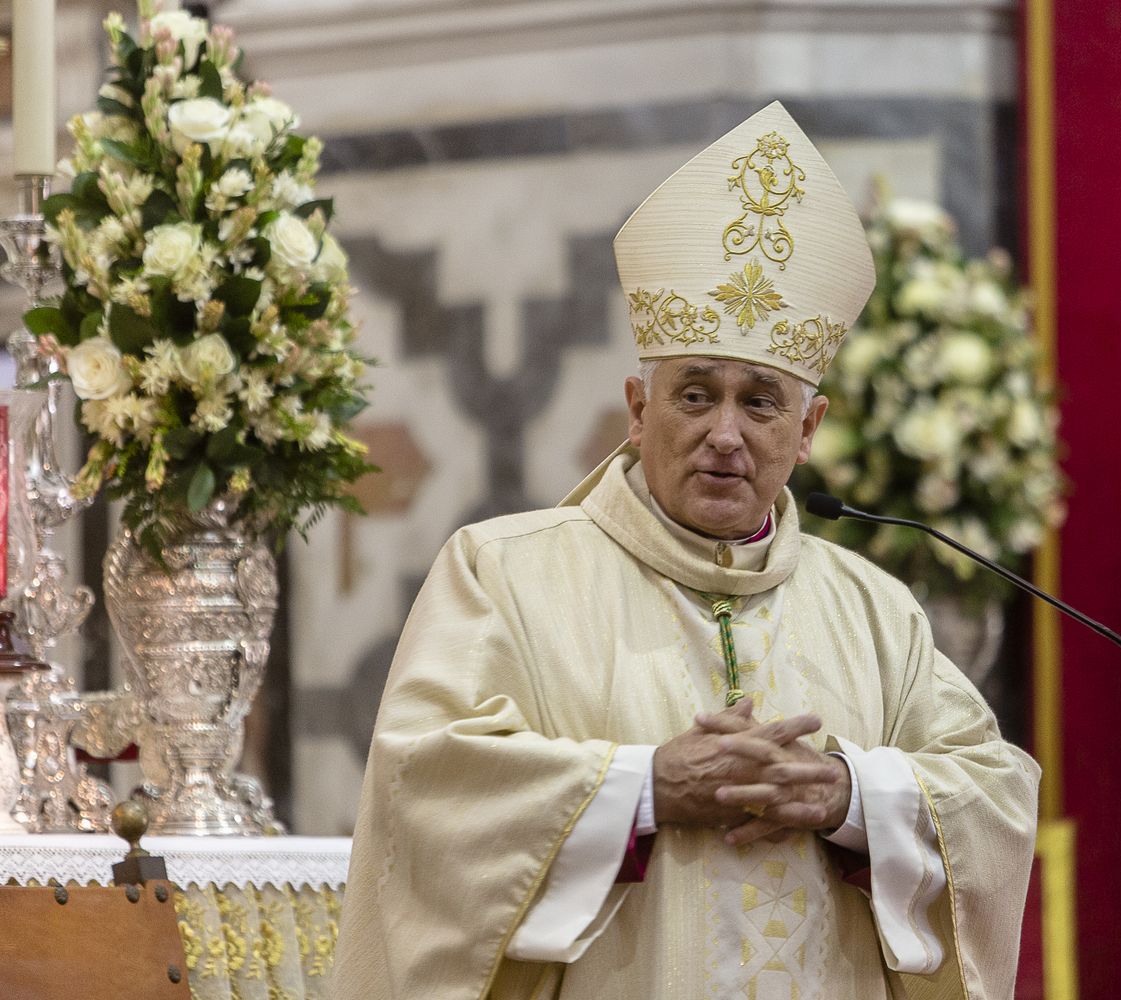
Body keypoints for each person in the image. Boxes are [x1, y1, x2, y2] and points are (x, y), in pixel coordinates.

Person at [335, 103, 1040, 1000]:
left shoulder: (874, 610)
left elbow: (993, 796)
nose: (724, 435)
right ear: (637, 408)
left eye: (760, 403)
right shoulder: (502, 574)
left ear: (809, 428)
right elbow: (424, 790)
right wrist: (641, 789)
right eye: (695, 396)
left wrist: (848, 794)